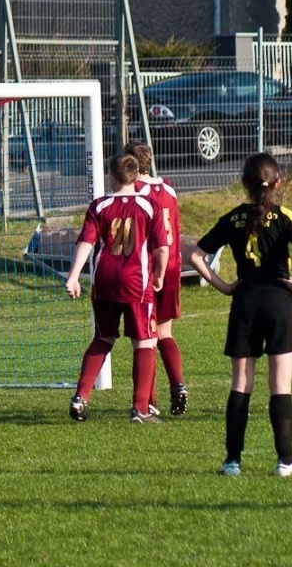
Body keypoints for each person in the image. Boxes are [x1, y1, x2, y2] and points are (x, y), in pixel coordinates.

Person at [189, 153, 292, 477]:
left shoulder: (233, 218)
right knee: (280, 385)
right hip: (279, 303)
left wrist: (224, 286)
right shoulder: (285, 216)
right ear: (278, 183)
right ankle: (286, 461)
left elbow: (195, 256)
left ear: (245, 183)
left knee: (241, 383)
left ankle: (232, 462)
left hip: (244, 302)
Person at [65, 153, 169, 423]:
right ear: (136, 176)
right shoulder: (149, 205)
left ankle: (80, 397)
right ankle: (140, 409)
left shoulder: (99, 206)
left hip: (104, 281)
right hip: (136, 282)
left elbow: (86, 242)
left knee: (103, 337)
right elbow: (162, 248)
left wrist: (74, 276)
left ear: (111, 176)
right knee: (144, 341)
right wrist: (159, 275)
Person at [126, 141, 188, 416]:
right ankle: (178, 383)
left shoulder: (135, 192)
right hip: (172, 265)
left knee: (146, 338)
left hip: (148, 269)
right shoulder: (168, 188)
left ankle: (148, 403)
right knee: (165, 333)